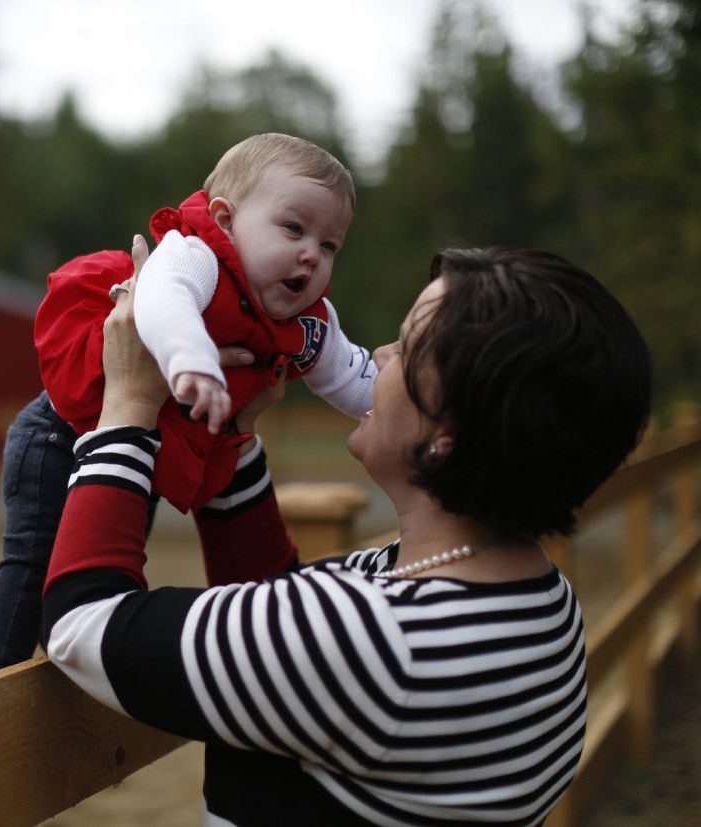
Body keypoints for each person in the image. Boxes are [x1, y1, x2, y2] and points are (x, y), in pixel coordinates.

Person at [41, 245, 652, 825]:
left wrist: (125, 403)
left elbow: (84, 626)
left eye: (408, 347)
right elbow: (275, 616)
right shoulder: (540, 602)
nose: (379, 354)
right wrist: (226, 427)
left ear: (448, 435)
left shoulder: (385, 645)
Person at [0, 133, 377, 674]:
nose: (311, 253)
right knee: (33, 560)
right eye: (293, 229)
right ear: (227, 220)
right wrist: (192, 361)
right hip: (63, 431)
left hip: (140, 443)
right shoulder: (197, 256)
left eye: (330, 246)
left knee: (115, 552)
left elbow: (352, 376)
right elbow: (164, 303)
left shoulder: (308, 322)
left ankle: (60, 676)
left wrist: (401, 410)